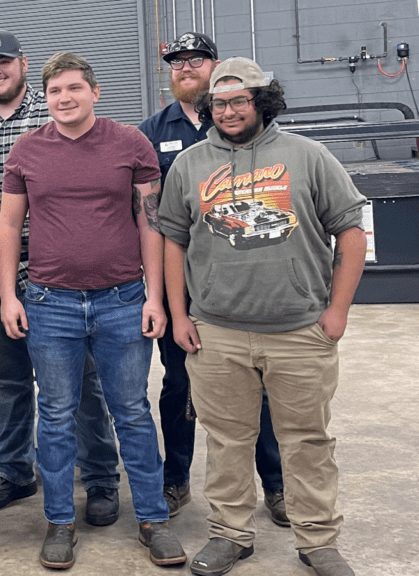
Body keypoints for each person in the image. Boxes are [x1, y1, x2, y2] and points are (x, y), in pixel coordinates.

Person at [159, 57, 365, 576]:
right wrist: (179, 315)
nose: (228, 111)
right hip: (217, 333)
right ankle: (230, 534)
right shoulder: (189, 164)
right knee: (227, 440)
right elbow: (173, 243)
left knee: (308, 442)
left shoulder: (308, 155)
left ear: (261, 102)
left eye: (240, 101)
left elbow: (352, 232)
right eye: (219, 103)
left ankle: (317, 540)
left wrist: (337, 311)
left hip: (299, 330)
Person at [0, 29, 121, 524]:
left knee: (81, 387)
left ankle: (99, 477)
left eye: (5, 62)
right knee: (9, 385)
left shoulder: (53, 112)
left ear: (23, 65)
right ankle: (15, 472)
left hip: (63, 284)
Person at [0, 52, 184, 569]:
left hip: (122, 301)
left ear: (95, 92)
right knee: (55, 417)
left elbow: (151, 222)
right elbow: (10, 226)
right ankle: (59, 522)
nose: (65, 99)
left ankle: (152, 518)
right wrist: (11, 296)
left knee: (132, 413)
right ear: (46, 97)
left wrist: (153, 296)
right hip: (49, 304)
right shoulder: (27, 151)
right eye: (55, 91)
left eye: (75, 88)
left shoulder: (131, 144)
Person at [137, 32, 287, 523]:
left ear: (217, 67)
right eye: (175, 63)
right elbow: (152, 225)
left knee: (258, 390)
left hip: (249, 288)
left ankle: (276, 485)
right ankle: (176, 478)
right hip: (187, 293)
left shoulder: (251, 125)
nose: (184, 68)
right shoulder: (150, 133)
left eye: (194, 60)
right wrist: (158, 298)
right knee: (179, 387)